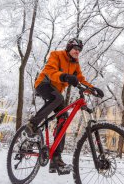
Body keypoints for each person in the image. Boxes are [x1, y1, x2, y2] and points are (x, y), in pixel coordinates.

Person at [26, 38, 104, 175]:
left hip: (56, 92)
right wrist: (65, 77)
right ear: (68, 48)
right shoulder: (56, 55)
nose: (77, 52)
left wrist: (92, 89)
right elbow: (50, 71)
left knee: (64, 118)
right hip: (43, 84)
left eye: (79, 50)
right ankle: (32, 124)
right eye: (75, 48)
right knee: (58, 98)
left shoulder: (75, 64)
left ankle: (56, 158)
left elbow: (81, 80)